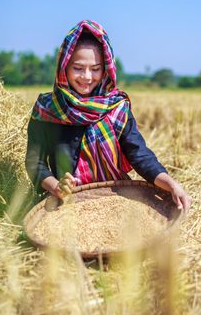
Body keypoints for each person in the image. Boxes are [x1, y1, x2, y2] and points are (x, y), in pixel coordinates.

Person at [25, 20, 192, 211]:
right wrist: (56, 186)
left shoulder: (116, 107)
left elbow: (139, 154)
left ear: (105, 69)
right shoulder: (47, 109)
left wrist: (171, 184)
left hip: (115, 197)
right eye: (78, 68)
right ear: (64, 67)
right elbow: (34, 162)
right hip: (68, 203)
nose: (87, 77)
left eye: (95, 69)